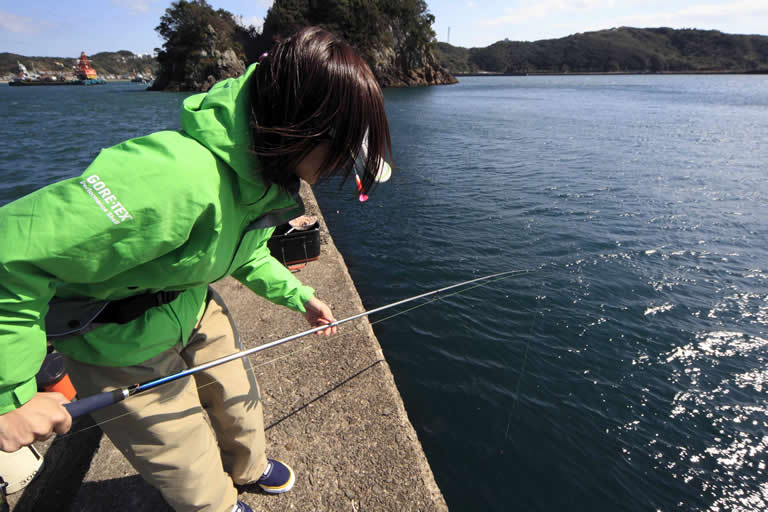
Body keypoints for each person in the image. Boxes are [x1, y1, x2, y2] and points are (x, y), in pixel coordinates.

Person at [0, 26, 391, 512]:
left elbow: (244, 252)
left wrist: (300, 296)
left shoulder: (265, 176)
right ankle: (217, 506)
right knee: (179, 452)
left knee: (237, 397)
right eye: (342, 153)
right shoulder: (173, 178)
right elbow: (10, 256)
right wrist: (8, 397)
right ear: (303, 127)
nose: (338, 170)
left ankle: (248, 467)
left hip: (191, 300)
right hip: (117, 339)